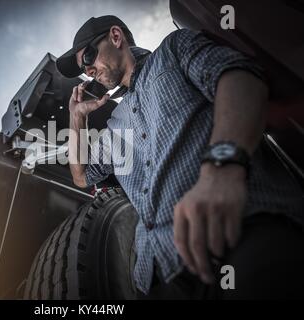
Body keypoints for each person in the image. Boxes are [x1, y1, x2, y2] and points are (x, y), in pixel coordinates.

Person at [55, 15, 304, 299]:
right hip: (161, 280)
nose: (88, 70)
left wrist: (221, 168)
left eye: (88, 55)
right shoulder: (115, 126)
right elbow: (81, 176)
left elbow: (240, 79)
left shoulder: (173, 50)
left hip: (240, 234)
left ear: (115, 36)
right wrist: (76, 118)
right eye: (82, 69)